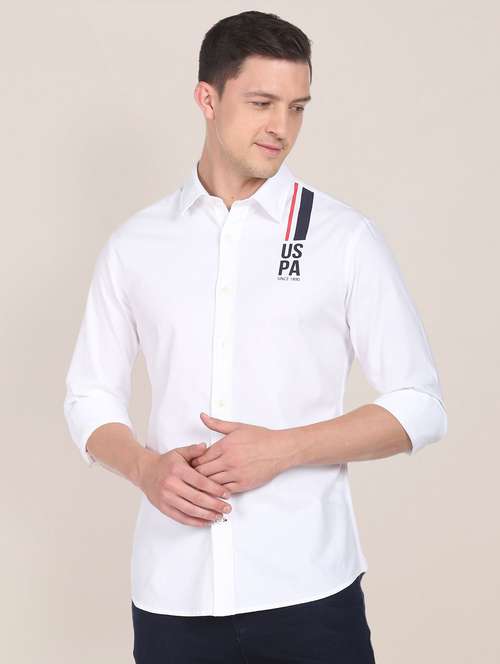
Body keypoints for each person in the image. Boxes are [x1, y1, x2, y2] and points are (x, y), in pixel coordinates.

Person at [63, 10, 447, 664]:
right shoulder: (136, 245)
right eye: (262, 103)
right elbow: (88, 397)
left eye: (297, 108)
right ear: (207, 98)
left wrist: (285, 449)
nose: (282, 128)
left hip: (309, 591)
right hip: (173, 595)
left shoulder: (344, 238)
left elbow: (421, 404)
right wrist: (146, 469)